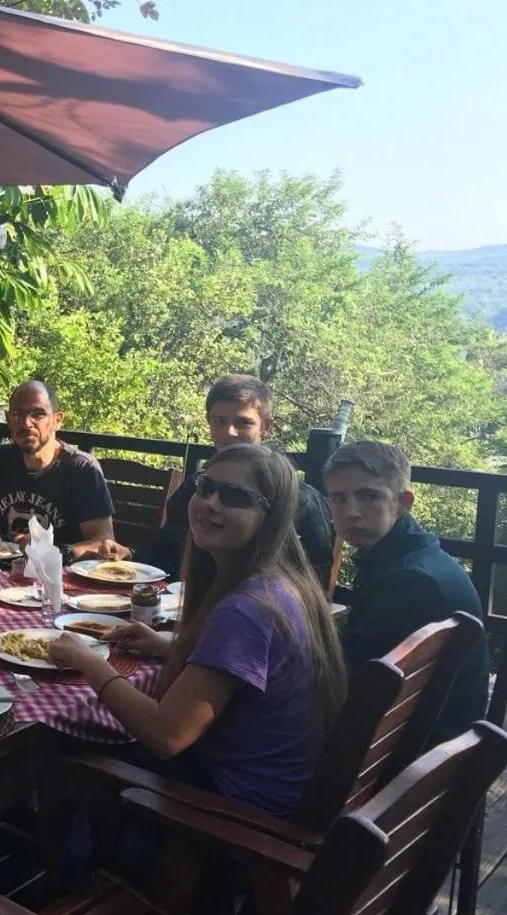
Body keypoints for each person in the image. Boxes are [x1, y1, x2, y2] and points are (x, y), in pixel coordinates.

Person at [49, 443, 347, 877]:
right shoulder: (287, 583)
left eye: (236, 497)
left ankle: (79, 883)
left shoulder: (247, 607)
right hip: (280, 790)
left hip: (240, 820)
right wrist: (171, 647)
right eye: (206, 487)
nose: (210, 503)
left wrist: (90, 661)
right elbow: (250, 669)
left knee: (71, 759)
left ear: (273, 517)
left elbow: (166, 735)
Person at [324, 441, 489, 744]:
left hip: (410, 757)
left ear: (403, 502)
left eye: (369, 496)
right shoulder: (414, 556)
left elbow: (343, 685)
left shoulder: (410, 582)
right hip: (437, 748)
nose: (351, 512)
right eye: (338, 499)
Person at [139, 374, 334, 582]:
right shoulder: (195, 488)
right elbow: (163, 557)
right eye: (219, 421)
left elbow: (315, 578)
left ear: (266, 426)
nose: (229, 432)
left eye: (243, 423)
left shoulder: (302, 501)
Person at [0, 380, 120, 560]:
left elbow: (103, 543)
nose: (26, 423)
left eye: (38, 414)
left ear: (57, 420)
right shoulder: (0, 459)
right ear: (8, 420)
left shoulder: (82, 469)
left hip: (61, 574)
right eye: (16, 414)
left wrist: (50, 550)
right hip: (3, 568)